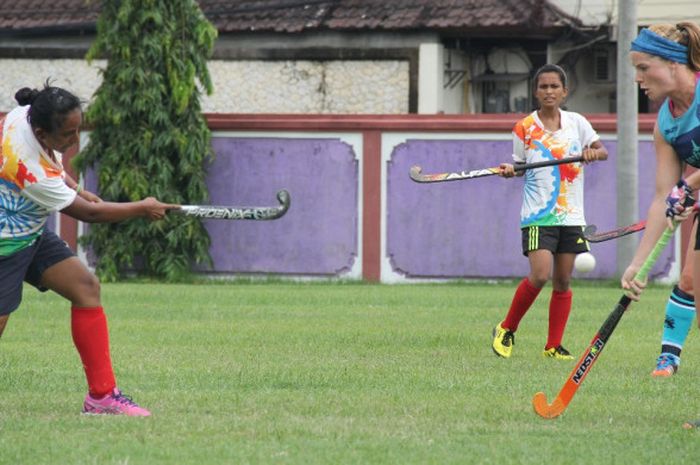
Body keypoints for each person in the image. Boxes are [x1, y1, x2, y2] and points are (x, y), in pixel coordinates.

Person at [0, 82, 179, 416]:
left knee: (86, 287)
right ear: (41, 131)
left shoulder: (25, 113)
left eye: (77, 128)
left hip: (30, 233)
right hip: (4, 246)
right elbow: (91, 215)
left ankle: (102, 396)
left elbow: (51, 162)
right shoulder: (27, 166)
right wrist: (143, 207)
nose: (75, 140)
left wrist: (74, 186)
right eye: (68, 134)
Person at [491, 64, 608, 360]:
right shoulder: (524, 127)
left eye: (555, 86)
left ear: (564, 91)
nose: (549, 91)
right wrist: (510, 171)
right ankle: (506, 328)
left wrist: (592, 152)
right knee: (540, 274)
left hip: (571, 215)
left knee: (563, 280)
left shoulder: (577, 123)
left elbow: (601, 149)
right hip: (538, 215)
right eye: (543, 87)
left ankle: (553, 345)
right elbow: (519, 167)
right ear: (535, 91)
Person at [621, 22, 700, 429]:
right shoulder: (666, 125)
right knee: (694, 288)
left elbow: (680, 186)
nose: (637, 80)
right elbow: (660, 197)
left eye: (643, 67)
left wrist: (689, 184)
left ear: (671, 64)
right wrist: (638, 264)